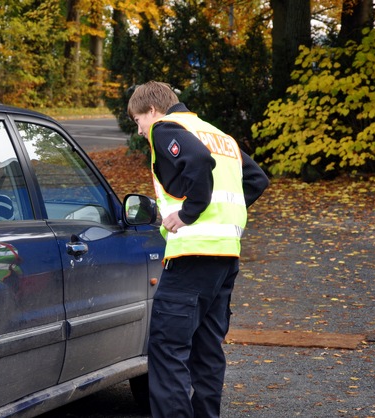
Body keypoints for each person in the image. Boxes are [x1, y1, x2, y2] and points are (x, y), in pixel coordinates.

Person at [127, 81, 269, 418]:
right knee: (206, 352)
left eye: (137, 121)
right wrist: (222, 214)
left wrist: (190, 213)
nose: (140, 130)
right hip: (224, 259)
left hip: (191, 257)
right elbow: (256, 179)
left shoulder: (165, 128)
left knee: (167, 351)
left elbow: (199, 161)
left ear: (151, 110)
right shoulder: (218, 135)